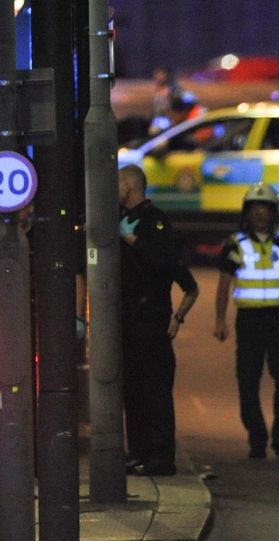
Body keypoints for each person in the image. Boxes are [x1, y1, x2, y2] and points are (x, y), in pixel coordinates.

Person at [213, 183, 279, 458]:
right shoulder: (236, 244)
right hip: (247, 321)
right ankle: (256, 439)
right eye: (254, 208)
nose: (259, 213)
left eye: (265, 208)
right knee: (247, 380)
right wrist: (220, 320)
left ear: (273, 212)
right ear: (247, 212)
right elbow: (223, 284)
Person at [119, 165, 184, 476]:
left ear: (129, 186)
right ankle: (139, 452)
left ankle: (160, 458)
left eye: (118, 182)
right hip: (128, 316)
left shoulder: (155, 221)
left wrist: (132, 241)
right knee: (132, 389)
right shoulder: (120, 219)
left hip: (151, 314)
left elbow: (164, 263)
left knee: (154, 389)